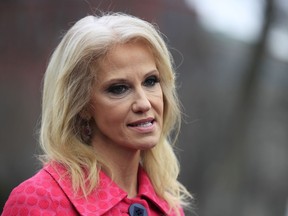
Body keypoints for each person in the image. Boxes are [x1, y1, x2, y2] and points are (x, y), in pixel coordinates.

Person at [2, 12, 192, 216]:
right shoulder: (37, 202)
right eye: (119, 88)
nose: (144, 103)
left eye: (151, 81)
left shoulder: (168, 206)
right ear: (82, 104)